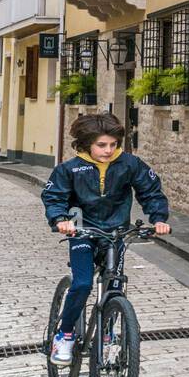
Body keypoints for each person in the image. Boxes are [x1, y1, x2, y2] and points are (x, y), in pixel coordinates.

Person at [41, 112, 170, 362]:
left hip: (115, 232)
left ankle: (107, 332)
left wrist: (158, 219)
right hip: (81, 231)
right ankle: (65, 335)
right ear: (87, 143)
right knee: (82, 284)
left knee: (115, 284)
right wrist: (60, 220)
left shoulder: (130, 164)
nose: (108, 150)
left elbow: (151, 191)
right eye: (102, 145)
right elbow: (54, 197)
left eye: (113, 144)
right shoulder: (69, 169)